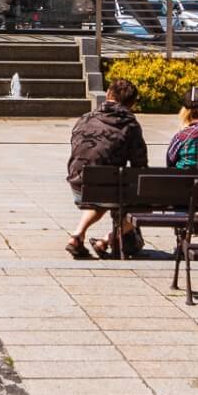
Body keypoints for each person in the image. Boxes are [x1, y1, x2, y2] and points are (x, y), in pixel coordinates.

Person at [65, 77, 148, 259]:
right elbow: (139, 166)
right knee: (142, 202)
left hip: (78, 186)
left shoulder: (85, 118)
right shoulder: (130, 125)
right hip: (105, 189)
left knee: (102, 193)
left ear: (108, 95)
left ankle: (77, 234)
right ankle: (106, 240)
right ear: (131, 103)